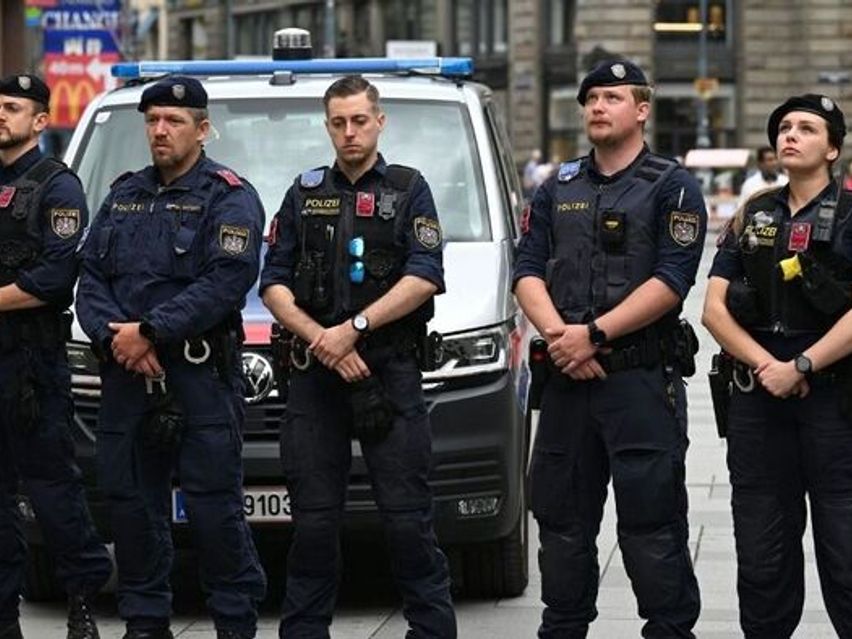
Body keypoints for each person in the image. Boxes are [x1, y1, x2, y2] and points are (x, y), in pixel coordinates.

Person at [260, 75, 456, 639]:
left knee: (408, 521)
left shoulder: (409, 189)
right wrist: (323, 340)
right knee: (314, 526)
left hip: (388, 372)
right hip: (316, 378)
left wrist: (354, 329)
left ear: (379, 122)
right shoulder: (303, 193)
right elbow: (273, 282)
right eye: (339, 122)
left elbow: (425, 275)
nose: (350, 132)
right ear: (327, 126)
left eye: (360, 121)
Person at [513, 60, 705, 638]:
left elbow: (672, 280)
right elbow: (526, 269)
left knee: (652, 527)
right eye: (592, 98)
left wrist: (592, 335)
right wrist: (560, 338)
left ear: (642, 109)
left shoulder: (671, 185)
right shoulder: (558, 186)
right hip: (568, 381)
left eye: (612, 97)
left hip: (639, 382)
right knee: (560, 526)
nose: (598, 106)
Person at [75, 76, 267, 639]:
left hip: (198, 378)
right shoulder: (123, 194)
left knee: (215, 513)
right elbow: (90, 279)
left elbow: (226, 282)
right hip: (127, 378)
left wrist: (151, 332)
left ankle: (235, 625)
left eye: (174, 121)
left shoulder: (230, 197)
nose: (160, 130)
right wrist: (117, 340)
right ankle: (144, 625)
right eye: (153, 120)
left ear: (202, 130)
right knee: (132, 510)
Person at [702, 94, 852, 638]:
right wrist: (771, 367)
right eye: (784, 127)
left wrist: (802, 366)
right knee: (763, 559)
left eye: (807, 128)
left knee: (846, 555)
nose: (790, 135)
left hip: (836, 405)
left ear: (832, 148)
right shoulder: (753, 212)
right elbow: (713, 309)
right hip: (760, 403)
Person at [0, 74, 111, 639]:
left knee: (51, 489)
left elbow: (53, 278)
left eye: (12, 107)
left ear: (41, 121)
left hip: (31, 365)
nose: (1, 115)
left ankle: (81, 599)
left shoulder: (57, 186)